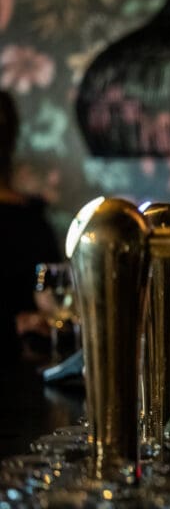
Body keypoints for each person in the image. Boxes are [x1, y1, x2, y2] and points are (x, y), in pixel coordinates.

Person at [0, 89, 61, 362]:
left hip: (25, 365)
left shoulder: (32, 219)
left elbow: (50, 300)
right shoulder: (31, 219)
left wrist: (43, 319)